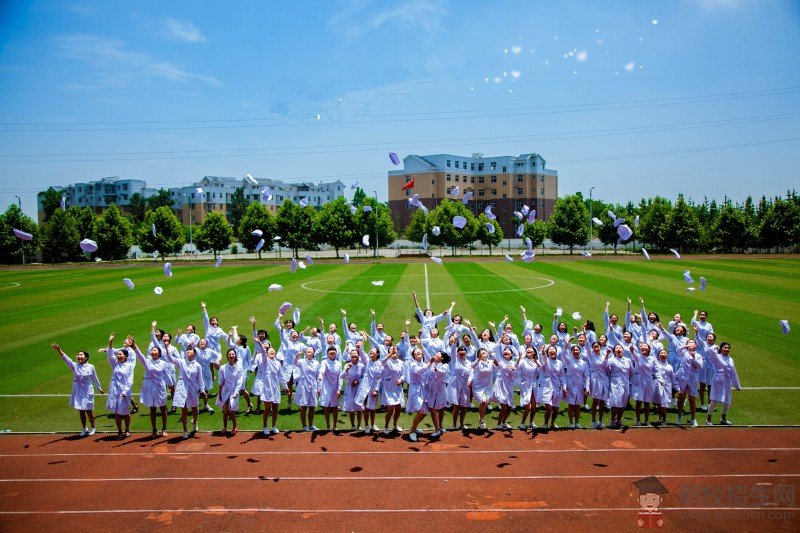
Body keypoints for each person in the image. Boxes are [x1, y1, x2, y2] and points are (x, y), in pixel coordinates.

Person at [53, 342, 103, 436]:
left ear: (86, 357)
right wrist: (59, 350)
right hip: (78, 391)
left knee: (89, 410)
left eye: (81, 355)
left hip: (88, 391)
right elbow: (66, 359)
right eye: (78, 355)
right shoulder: (75, 366)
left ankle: (93, 427)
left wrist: (99, 388)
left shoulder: (91, 367)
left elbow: (95, 378)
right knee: (81, 410)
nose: (79, 356)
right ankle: (84, 428)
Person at [165, 342, 206, 439]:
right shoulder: (181, 361)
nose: (188, 352)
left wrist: (202, 390)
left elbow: (200, 379)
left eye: (190, 351)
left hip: (193, 387)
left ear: (194, 353)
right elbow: (170, 359)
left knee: (194, 408)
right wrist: (167, 349)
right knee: (184, 409)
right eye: (187, 351)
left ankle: (195, 422)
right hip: (182, 387)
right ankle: (185, 429)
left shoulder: (197, 365)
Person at [133, 337, 170, 437]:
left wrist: (171, 386)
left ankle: (164, 428)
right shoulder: (147, 362)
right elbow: (140, 356)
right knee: (152, 409)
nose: (153, 352)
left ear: (159, 353)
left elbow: (167, 375)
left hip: (160, 387)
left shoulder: (163, 363)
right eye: (152, 350)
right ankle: (154, 429)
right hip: (149, 386)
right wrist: (135, 347)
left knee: (163, 408)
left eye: (155, 350)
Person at [408, 352, 448, 441]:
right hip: (417, 390)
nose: (418, 353)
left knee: (425, 411)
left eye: (419, 352)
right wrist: (430, 363)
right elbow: (419, 371)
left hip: (426, 391)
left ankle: (415, 428)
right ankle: (412, 431)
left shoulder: (426, 364)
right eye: (416, 352)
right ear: (413, 355)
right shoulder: (413, 364)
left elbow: (432, 374)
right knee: (421, 411)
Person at [104, 333, 134, 439]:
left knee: (125, 412)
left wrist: (125, 392)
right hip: (115, 390)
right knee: (116, 412)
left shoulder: (129, 366)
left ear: (126, 356)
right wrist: (110, 342)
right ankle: (120, 431)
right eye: (118, 354)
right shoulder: (115, 364)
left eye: (121, 354)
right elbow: (110, 354)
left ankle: (127, 429)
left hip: (124, 391)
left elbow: (130, 380)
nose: (119, 355)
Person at [704, 341, 741, 426]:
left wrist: (737, 385)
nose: (726, 349)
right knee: (714, 400)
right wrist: (715, 347)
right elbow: (709, 351)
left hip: (727, 382)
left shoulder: (730, 359)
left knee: (727, 401)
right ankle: (708, 419)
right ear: (721, 348)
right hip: (718, 381)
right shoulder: (717, 357)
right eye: (724, 347)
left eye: (728, 348)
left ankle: (723, 418)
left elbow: (733, 372)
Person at [560, 340, 590, 429]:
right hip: (570, 385)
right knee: (571, 405)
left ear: (580, 352)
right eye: (574, 350)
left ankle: (576, 422)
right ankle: (571, 422)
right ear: (571, 352)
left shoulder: (584, 363)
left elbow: (587, 377)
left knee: (577, 405)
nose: (576, 351)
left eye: (577, 350)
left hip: (580, 385)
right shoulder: (569, 360)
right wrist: (567, 344)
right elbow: (563, 354)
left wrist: (587, 388)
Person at [216, 348, 245, 435]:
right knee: (225, 411)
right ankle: (224, 427)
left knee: (232, 411)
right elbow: (220, 382)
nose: (231, 356)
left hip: (234, 392)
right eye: (230, 354)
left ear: (235, 356)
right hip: (225, 391)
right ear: (227, 356)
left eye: (233, 354)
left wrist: (236, 392)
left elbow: (239, 382)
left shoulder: (239, 367)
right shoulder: (223, 368)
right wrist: (220, 393)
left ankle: (234, 426)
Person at [355, 347, 383, 434]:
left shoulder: (380, 364)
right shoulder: (367, 361)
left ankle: (373, 424)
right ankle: (367, 425)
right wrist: (360, 347)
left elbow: (380, 379)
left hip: (373, 388)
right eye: (370, 350)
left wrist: (376, 390)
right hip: (365, 387)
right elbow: (363, 354)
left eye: (373, 351)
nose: (371, 351)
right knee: (366, 408)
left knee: (372, 408)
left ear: (377, 354)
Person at [538, 345, 566, 429]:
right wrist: (543, 352)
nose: (552, 351)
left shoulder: (560, 363)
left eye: (553, 349)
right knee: (549, 408)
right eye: (550, 350)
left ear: (556, 352)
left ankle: (552, 423)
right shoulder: (546, 361)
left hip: (557, 387)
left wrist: (564, 387)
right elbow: (543, 359)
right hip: (547, 387)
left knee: (556, 408)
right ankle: (545, 423)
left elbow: (562, 376)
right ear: (548, 353)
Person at [606, 345, 633, 429]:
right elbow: (606, 369)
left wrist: (629, 381)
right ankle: (613, 419)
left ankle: (619, 419)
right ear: (614, 352)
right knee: (615, 401)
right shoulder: (611, 360)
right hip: (615, 383)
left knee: (623, 402)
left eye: (620, 348)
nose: (618, 349)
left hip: (625, 383)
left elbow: (631, 371)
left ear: (623, 350)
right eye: (616, 348)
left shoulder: (628, 360)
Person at [294, 347, 321, 431]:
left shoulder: (316, 363)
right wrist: (297, 355)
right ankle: (304, 426)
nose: (308, 353)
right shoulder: (302, 361)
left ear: (313, 353)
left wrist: (319, 388)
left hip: (313, 386)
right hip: (303, 386)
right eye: (307, 352)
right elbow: (295, 363)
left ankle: (311, 425)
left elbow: (318, 375)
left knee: (312, 407)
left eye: (310, 352)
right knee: (304, 406)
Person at [380, 345, 405, 435]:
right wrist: (390, 354)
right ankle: (386, 426)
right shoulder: (387, 362)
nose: (394, 350)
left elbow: (404, 374)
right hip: (389, 388)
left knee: (398, 408)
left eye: (395, 349)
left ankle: (395, 425)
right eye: (391, 349)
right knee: (390, 409)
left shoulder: (401, 363)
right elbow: (382, 361)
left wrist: (401, 379)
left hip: (398, 387)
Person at [492, 347, 517, 429]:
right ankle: (499, 424)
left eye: (508, 350)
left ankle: (504, 422)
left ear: (511, 354)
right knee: (504, 407)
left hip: (509, 385)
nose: (506, 351)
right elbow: (499, 367)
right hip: (500, 385)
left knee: (509, 407)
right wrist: (496, 363)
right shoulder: (501, 361)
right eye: (504, 350)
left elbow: (514, 376)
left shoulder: (513, 363)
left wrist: (513, 370)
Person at [448, 346, 473, 430]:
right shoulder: (454, 360)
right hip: (456, 386)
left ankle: (462, 424)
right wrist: (454, 343)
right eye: (460, 351)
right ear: (457, 353)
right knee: (456, 406)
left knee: (464, 406)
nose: (462, 352)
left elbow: (471, 373)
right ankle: (454, 425)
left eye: (463, 351)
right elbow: (452, 351)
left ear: (466, 353)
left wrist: (469, 381)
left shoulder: (469, 363)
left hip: (465, 386)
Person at [586, 342, 610, 429]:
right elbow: (587, 347)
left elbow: (605, 366)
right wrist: (585, 335)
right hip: (595, 380)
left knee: (602, 402)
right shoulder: (591, 356)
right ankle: (593, 421)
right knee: (595, 401)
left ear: (600, 347)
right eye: (594, 347)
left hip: (604, 379)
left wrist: (607, 355)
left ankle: (600, 421)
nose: (596, 348)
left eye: (597, 347)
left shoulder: (604, 355)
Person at [318, 347, 343, 431]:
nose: (332, 352)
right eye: (330, 351)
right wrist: (321, 374)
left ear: (336, 353)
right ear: (327, 353)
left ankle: (335, 426)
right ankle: (328, 425)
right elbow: (322, 369)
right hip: (326, 387)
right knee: (326, 407)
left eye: (333, 351)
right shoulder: (324, 362)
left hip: (335, 387)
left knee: (335, 407)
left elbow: (340, 377)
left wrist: (339, 389)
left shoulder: (339, 364)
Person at [341, 349, 365, 431]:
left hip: (359, 388)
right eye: (352, 354)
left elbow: (364, 377)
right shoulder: (347, 365)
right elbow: (342, 376)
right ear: (350, 356)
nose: (354, 355)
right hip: (349, 388)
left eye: (355, 354)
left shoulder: (362, 366)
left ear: (358, 355)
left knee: (359, 407)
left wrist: (358, 381)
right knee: (351, 407)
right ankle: (352, 425)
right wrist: (346, 369)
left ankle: (359, 425)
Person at [470, 348, 494, 429]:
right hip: (478, 386)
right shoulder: (477, 363)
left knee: (484, 403)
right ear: (478, 354)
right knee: (483, 402)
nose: (483, 351)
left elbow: (499, 368)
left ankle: (481, 418)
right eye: (481, 351)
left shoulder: (491, 362)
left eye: (485, 351)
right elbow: (472, 366)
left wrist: (496, 361)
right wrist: (478, 359)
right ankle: (482, 419)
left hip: (488, 386)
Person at [517, 346, 540, 429]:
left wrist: (537, 363)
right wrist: (519, 358)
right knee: (528, 407)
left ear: (534, 352)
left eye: (530, 349)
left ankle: (531, 422)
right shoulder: (523, 361)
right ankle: (522, 423)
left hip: (534, 385)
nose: (528, 350)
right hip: (525, 385)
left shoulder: (536, 361)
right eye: (527, 349)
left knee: (534, 407)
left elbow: (539, 372)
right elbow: (517, 369)